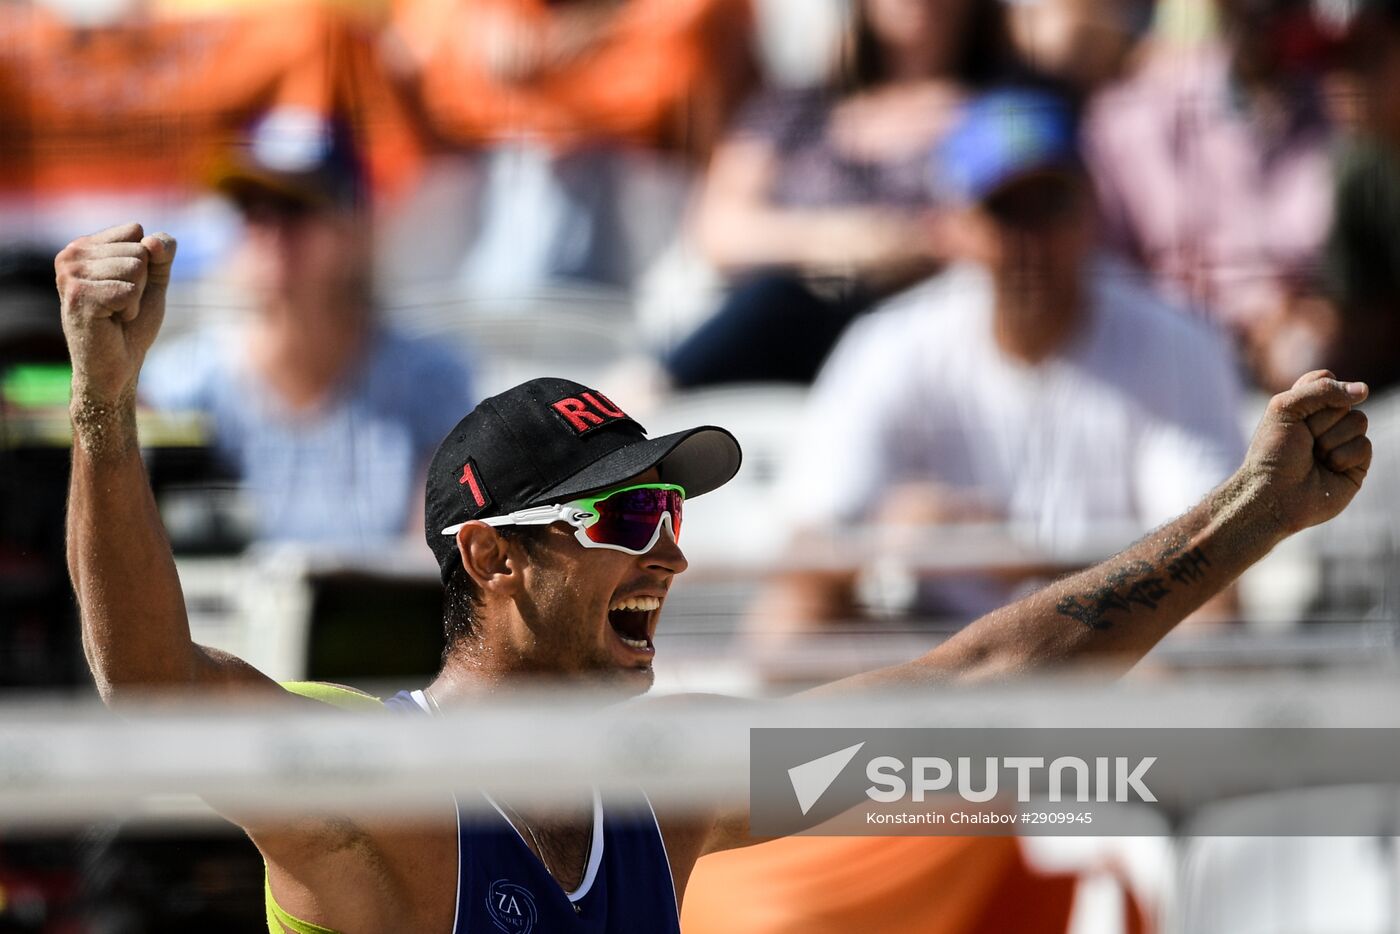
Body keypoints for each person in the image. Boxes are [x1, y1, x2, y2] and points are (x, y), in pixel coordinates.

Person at [57, 218, 1370, 930]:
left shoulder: (662, 787)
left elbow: (973, 685)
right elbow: (149, 688)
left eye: (672, 511)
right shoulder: (379, 792)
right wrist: (104, 405)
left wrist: (1253, 516)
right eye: (624, 518)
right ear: (492, 555)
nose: (673, 548)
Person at [755, 89, 1246, 633]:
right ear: (953, 226)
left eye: (1050, 204)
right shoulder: (892, 345)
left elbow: (1213, 591)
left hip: (1106, 658)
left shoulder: (1176, 343)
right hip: (940, 663)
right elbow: (792, 600)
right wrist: (877, 539)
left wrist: (1010, 552)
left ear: (1091, 210)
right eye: (1004, 210)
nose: (1030, 240)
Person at [139, 110, 475, 546]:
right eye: (251, 209)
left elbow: (437, 558)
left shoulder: (432, 382)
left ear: (354, 226)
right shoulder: (181, 388)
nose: (271, 231)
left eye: (294, 207)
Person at [664, 0, 1025, 387]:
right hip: (782, 327)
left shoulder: (1005, 109)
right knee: (776, 303)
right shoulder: (799, 105)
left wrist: (912, 244)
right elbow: (719, 231)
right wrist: (848, 242)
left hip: (923, 331)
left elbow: (1019, 228)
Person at [1082, 0, 1340, 389]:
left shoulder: (1343, 104)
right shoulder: (1134, 119)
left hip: (1322, 383)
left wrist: (1330, 319)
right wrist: (1236, 333)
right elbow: (1101, 291)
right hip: (1170, 386)